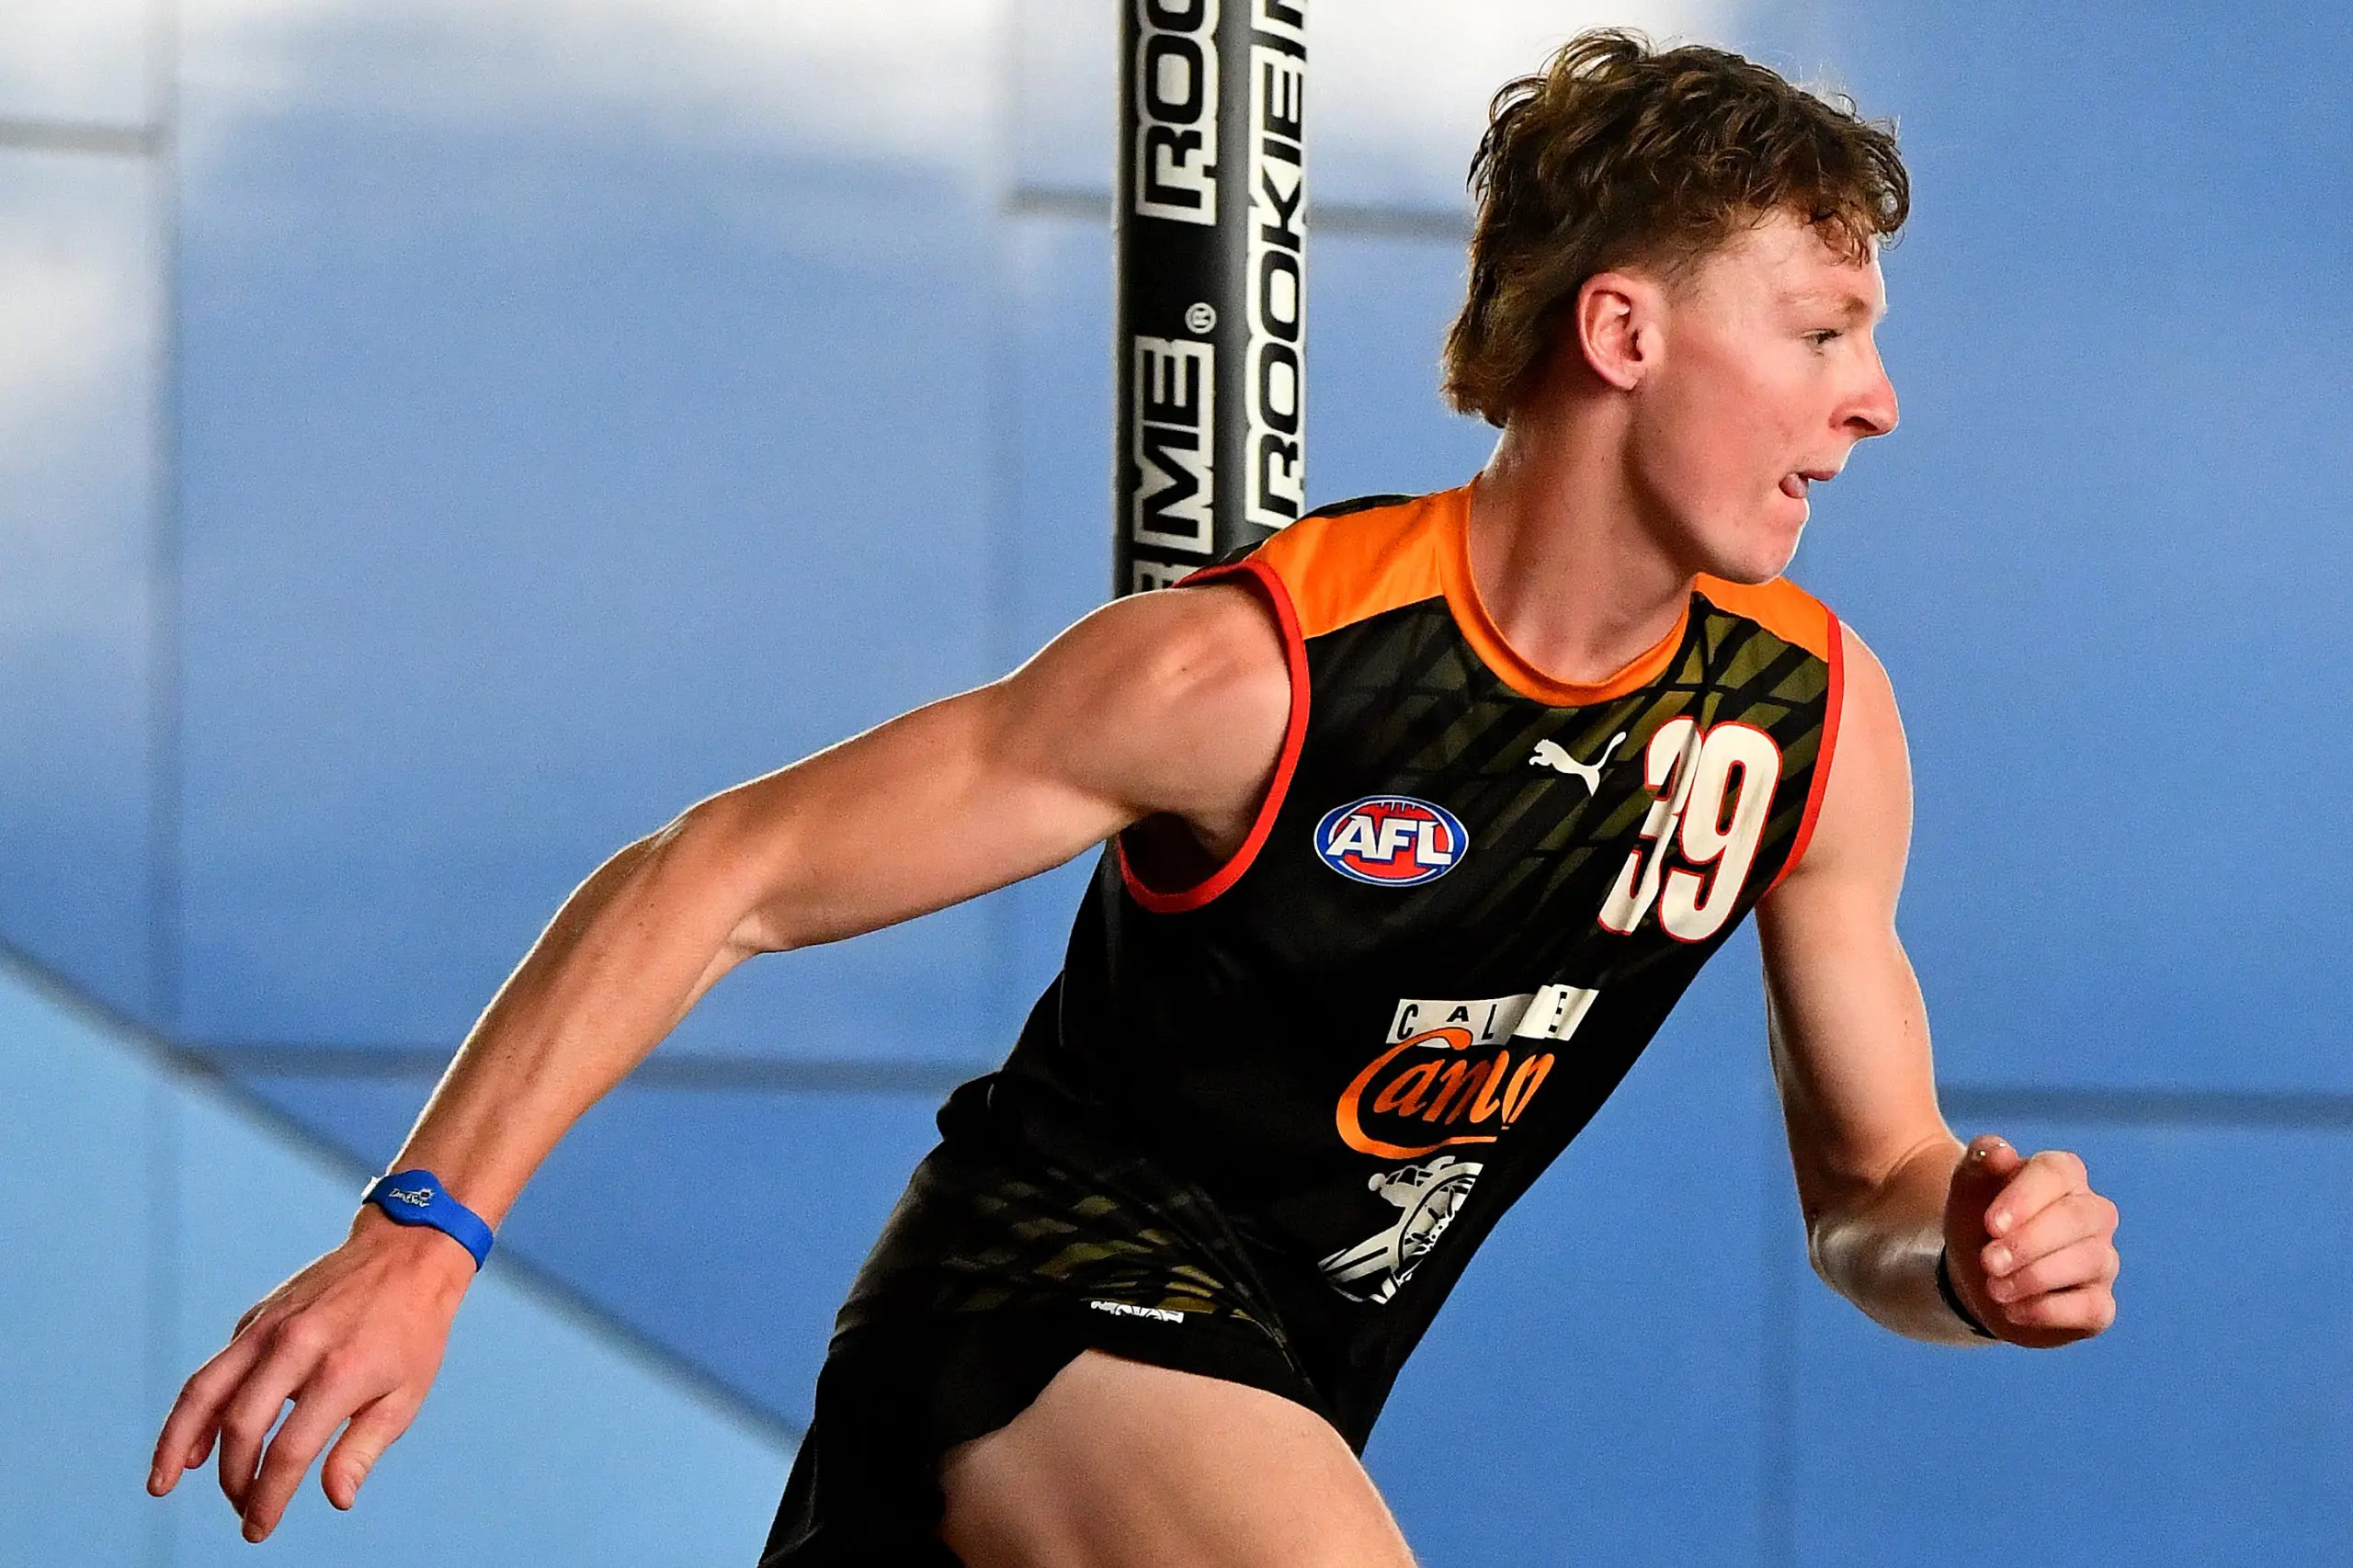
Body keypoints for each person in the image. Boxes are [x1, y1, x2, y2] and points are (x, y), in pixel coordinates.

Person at [148, 30, 2121, 1565]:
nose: (1872, 399)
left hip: (1269, 1397)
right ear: (1621, 332)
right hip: (1032, 1309)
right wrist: (423, 1229)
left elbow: (1864, 1194)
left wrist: (1959, 1250)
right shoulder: (1254, 671)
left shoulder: (1807, 724)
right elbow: (723, 869)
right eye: (1821, 331)